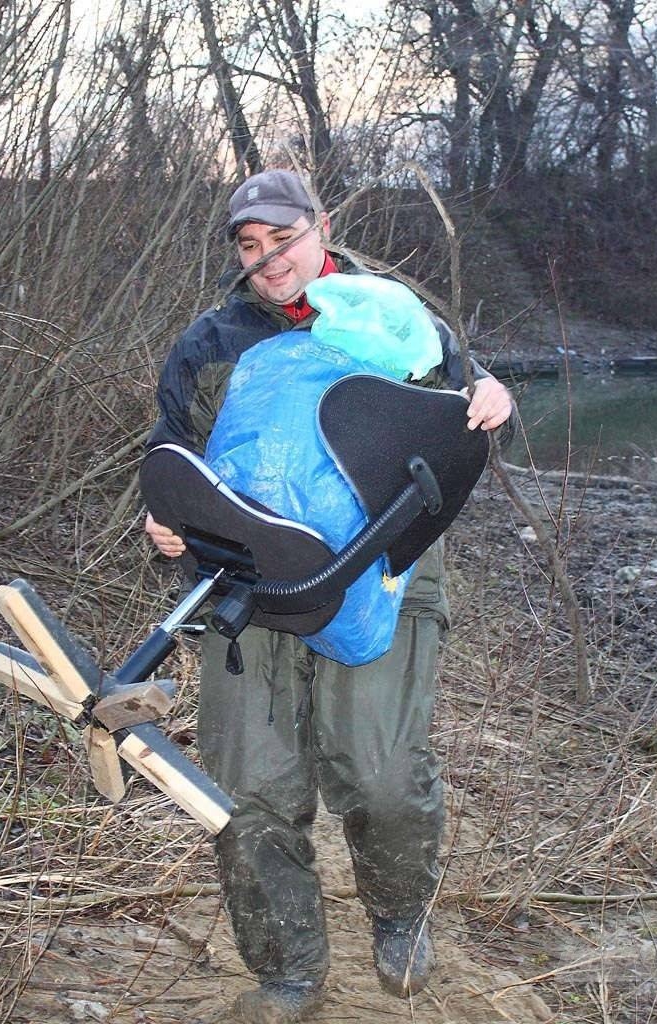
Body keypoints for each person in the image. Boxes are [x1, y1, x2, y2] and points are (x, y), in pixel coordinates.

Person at [144, 169, 514, 1024]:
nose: (271, 262)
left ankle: (396, 914)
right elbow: (173, 461)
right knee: (249, 784)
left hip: (385, 570)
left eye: (284, 239)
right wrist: (163, 524)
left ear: (322, 226)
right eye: (250, 247)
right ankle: (288, 971)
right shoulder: (213, 344)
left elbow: (463, 402)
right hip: (249, 573)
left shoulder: (386, 310)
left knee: (378, 769)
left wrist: (490, 397)